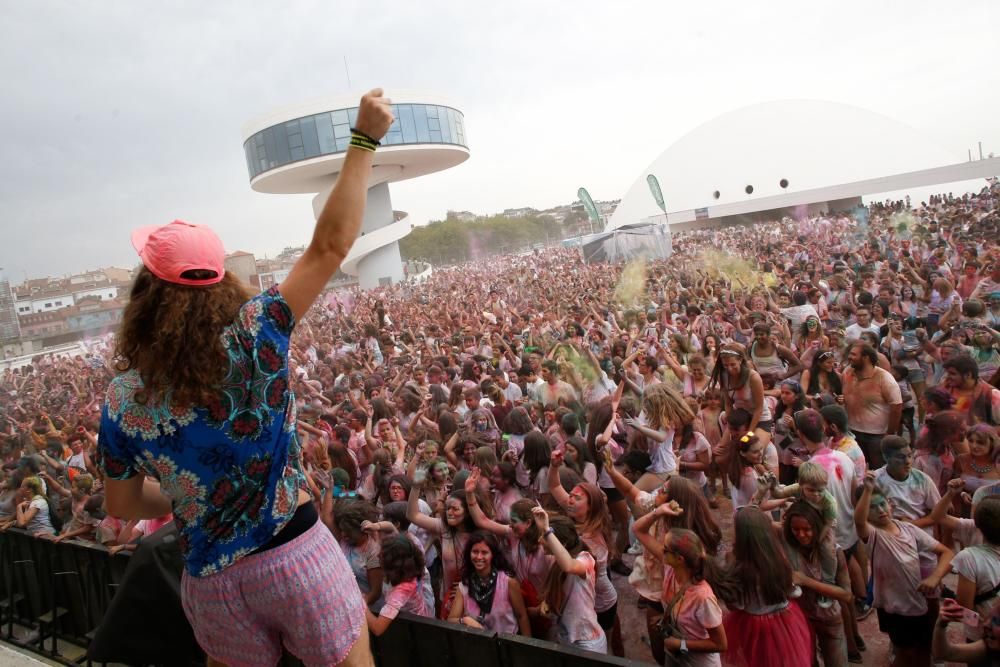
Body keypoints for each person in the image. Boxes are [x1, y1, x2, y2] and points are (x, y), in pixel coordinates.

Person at [95, 89, 393, 667]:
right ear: (220, 280)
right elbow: (331, 246)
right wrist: (363, 140)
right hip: (295, 556)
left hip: (211, 583)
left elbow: (123, 502)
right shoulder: (256, 334)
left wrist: (191, 489)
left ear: (147, 295)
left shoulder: (124, 397)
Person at [855, 470, 954, 667]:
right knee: (905, 654)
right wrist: (867, 490)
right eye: (872, 507)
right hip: (895, 608)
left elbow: (946, 553)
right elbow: (859, 521)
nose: (880, 510)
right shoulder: (874, 535)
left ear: (890, 504)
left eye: (882, 504)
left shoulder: (909, 529)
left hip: (918, 602)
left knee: (924, 649)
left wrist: (935, 577)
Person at [717, 506, 814, 667]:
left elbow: (737, 605)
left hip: (756, 628)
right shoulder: (779, 559)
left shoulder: (739, 568)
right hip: (788, 620)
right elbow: (794, 592)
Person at [632, 505, 728, 667]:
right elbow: (638, 530)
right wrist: (658, 511)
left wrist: (680, 644)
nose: (661, 549)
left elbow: (720, 644)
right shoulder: (670, 568)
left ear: (679, 559)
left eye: (665, 548)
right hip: (675, 656)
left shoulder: (702, 597)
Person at [781, 501, 854, 665]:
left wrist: (805, 581)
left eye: (807, 529)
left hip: (830, 619)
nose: (801, 535)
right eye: (795, 529)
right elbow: (750, 515)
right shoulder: (787, 548)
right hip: (800, 619)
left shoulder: (833, 552)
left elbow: (846, 595)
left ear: (818, 527)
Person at [531, 509, 607, 653]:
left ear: (563, 544)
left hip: (588, 642)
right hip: (565, 638)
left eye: (544, 537)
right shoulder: (555, 561)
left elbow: (569, 566)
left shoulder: (585, 559)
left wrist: (547, 531)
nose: (539, 540)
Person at [448, 531, 531, 635]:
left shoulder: (508, 582)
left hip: (506, 641)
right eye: (475, 551)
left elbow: (522, 616)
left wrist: (528, 642)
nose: (479, 557)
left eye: (484, 552)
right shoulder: (465, 585)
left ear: (493, 555)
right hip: (477, 642)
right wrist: (464, 620)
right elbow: (451, 620)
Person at [842, 341, 903, 469]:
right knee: (857, 469)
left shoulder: (884, 378)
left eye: (853, 354)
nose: (849, 357)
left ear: (866, 358)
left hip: (877, 435)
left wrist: (890, 433)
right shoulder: (847, 373)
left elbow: (896, 407)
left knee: (878, 469)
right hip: (852, 432)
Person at [366, 534, 432, 636]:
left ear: (393, 563)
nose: (378, 555)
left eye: (383, 554)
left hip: (416, 629)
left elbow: (377, 628)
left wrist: (361, 604)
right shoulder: (408, 568)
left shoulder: (402, 590)